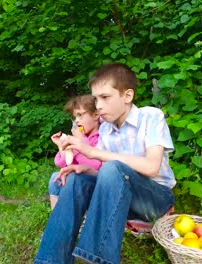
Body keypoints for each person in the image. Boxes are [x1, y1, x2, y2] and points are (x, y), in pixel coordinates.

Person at [34, 63, 176, 264]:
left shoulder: (151, 116)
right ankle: (51, 261)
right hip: (122, 198)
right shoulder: (107, 129)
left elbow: (152, 167)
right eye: (96, 99)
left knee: (112, 167)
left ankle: (99, 260)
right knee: (76, 179)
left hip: (156, 199)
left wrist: (92, 152)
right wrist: (85, 170)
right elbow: (109, 178)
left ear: (127, 96)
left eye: (105, 97)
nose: (98, 105)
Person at [48, 95, 102, 209]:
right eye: (75, 117)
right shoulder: (80, 137)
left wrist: (80, 142)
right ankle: (56, 219)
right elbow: (63, 163)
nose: (77, 120)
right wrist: (61, 146)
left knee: (68, 179)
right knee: (55, 178)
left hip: (95, 181)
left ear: (96, 115)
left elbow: (94, 165)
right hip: (78, 180)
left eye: (80, 115)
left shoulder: (101, 137)